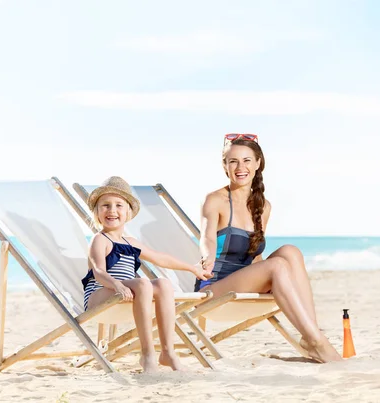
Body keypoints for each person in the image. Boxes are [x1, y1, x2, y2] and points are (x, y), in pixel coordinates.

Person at [197, 133, 342, 363]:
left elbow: (255, 257)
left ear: (258, 163)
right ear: (225, 165)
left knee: (290, 252)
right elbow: (207, 238)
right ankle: (317, 341)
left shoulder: (263, 206)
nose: (240, 167)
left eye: (246, 160)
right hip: (215, 287)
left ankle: (311, 336)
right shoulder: (215, 200)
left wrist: (274, 279)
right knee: (276, 266)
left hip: (245, 282)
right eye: (233, 161)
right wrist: (207, 258)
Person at [81, 176, 212, 372]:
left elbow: (161, 258)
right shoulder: (100, 239)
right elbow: (98, 272)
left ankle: (167, 352)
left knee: (163, 284)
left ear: (128, 212)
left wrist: (192, 268)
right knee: (142, 283)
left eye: (119, 205)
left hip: (126, 295)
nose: (112, 210)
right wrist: (117, 285)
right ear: (97, 212)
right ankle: (147, 354)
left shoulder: (130, 241)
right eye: (105, 205)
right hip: (100, 296)